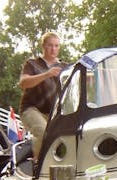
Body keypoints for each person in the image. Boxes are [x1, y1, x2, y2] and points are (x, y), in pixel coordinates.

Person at [18, 31, 68, 161]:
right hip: (31, 109)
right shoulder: (32, 64)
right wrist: (47, 74)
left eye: (56, 46)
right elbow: (23, 83)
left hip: (54, 112)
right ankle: (38, 166)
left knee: (66, 135)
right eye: (50, 45)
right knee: (42, 131)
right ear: (43, 46)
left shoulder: (65, 67)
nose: (53, 49)